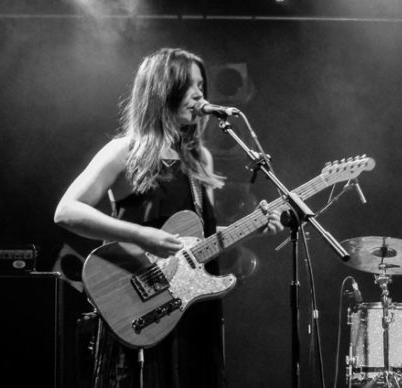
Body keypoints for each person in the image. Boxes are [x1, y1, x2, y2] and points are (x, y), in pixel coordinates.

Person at [54, 47, 283, 388]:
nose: (199, 94)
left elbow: (198, 239)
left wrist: (253, 227)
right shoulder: (125, 150)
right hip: (137, 303)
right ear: (163, 89)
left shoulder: (199, 159)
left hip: (189, 305)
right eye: (189, 84)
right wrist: (141, 236)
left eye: (201, 85)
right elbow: (67, 211)